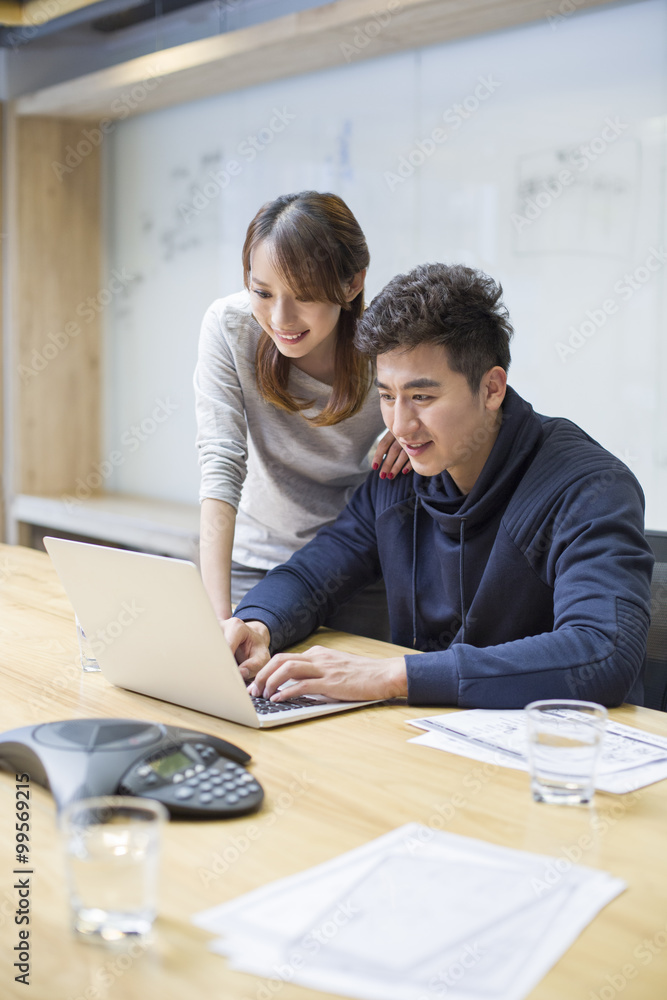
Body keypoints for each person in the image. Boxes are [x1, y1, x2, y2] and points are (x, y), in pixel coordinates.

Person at [223, 262, 654, 709]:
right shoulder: (403, 473)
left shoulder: (590, 487)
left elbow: (602, 653)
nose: (401, 426)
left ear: (491, 389)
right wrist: (258, 625)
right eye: (388, 396)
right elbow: (315, 573)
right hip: (431, 740)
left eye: (422, 397)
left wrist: (395, 676)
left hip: (558, 755)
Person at [194, 191, 408, 641]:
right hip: (253, 566)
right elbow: (221, 461)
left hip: (355, 572)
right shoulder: (231, 327)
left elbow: (463, 410)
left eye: (305, 295)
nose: (280, 317)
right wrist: (218, 617)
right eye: (263, 292)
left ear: (352, 284)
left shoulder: (387, 350)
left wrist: (413, 435)